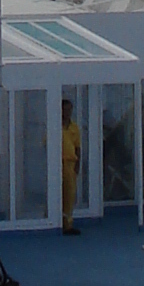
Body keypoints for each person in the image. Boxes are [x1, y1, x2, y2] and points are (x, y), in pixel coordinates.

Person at [60, 98, 82, 235]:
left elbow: (77, 147)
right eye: (65, 109)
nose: (67, 113)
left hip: (70, 164)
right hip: (58, 164)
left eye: (69, 110)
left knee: (70, 194)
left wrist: (78, 165)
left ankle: (68, 225)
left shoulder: (74, 127)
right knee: (57, 193)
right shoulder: (55, 125)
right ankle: (53, 220)